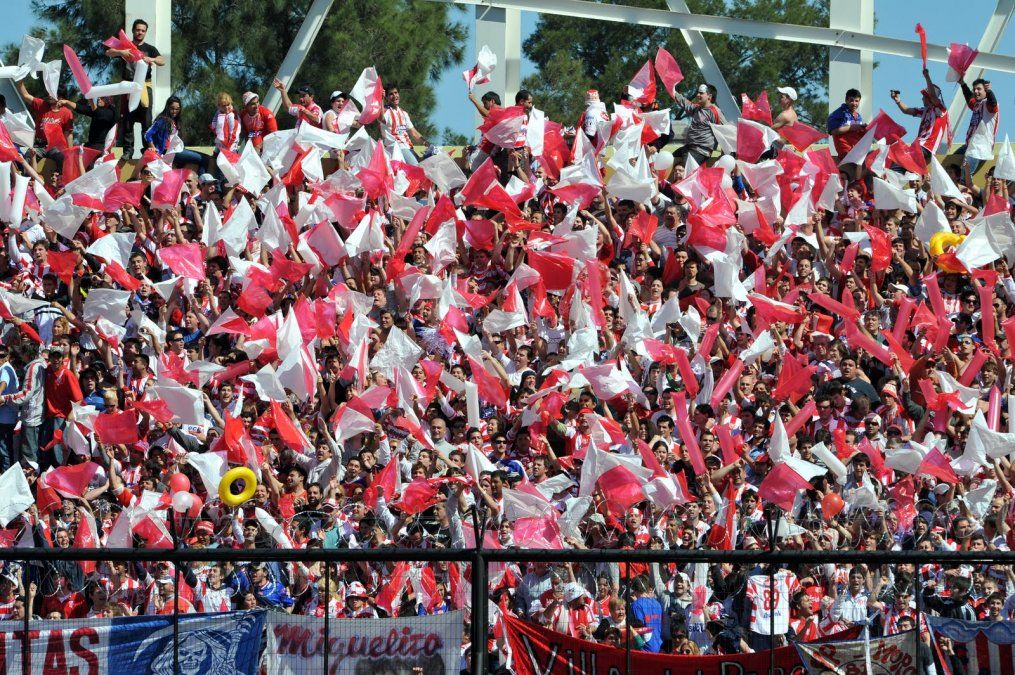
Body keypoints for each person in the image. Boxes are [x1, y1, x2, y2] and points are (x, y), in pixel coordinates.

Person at [106, 18, 166, 159]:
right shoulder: (126, 46)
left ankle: (147, 149)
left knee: (146, 119)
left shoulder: (149, 49)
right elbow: (108, 52)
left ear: (145, 32)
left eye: (143, 31)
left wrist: (151, 59)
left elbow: (162, 60)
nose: (140, 32)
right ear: (133, 31)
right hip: (128, 85)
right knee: (127, 119)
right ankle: (128, 151)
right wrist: (122, 52)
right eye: (137, 30)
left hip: (145, 85)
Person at [891, 68, 948, 157]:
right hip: (918, 146)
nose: (922, 98)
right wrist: (898, 101)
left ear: (930, 98)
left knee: (901, 160)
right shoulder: (924, 110)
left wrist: (927, 76)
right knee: (897, 157)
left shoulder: (941, 109)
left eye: (924, 96)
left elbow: (933, 96)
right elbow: (906, 110)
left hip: (927, 148)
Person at [671, 83, 725, 165]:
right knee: (670, 160)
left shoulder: (715, 112)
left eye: (701, 93)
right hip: (688, 148)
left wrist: (724, 154)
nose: (697, 95)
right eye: (698, 92)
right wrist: (672, 90)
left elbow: (725, 131)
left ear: (709, 96)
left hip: (701, 151)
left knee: (687, 172)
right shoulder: (697, 108)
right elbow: (684, 102)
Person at [957, 76, 999, 174]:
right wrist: (963, 84)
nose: (975, 91)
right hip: (969, 146)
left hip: (979, 148)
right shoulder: (977, 104)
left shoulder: (988, 104)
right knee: (951, 164)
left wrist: (989, 91)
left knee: (964, 175)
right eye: (974, 89)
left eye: (979, 89)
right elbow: (969, 98)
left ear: (985, 90)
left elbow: (993, 103)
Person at [380, 85, 428, 157]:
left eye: (396, 93)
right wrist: (381, 99)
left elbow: (413, 132)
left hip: (409, 148)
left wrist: (427, 143)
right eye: (391, 94)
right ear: (386, 97)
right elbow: (380, 117)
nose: (394, 96)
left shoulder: (404, 113)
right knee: (415, 167)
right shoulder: (385, 111)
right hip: (396, 148)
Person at [827, 88, 867, 157]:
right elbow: (833, 131)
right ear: (846, 100)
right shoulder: (837, 113)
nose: (854, 103)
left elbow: (858, 134)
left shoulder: (858, 116)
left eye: (857, 101)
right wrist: (851, 127)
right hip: (845, 151)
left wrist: (865, 130)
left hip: (857, 150)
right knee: (860, 163)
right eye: (851, 100)